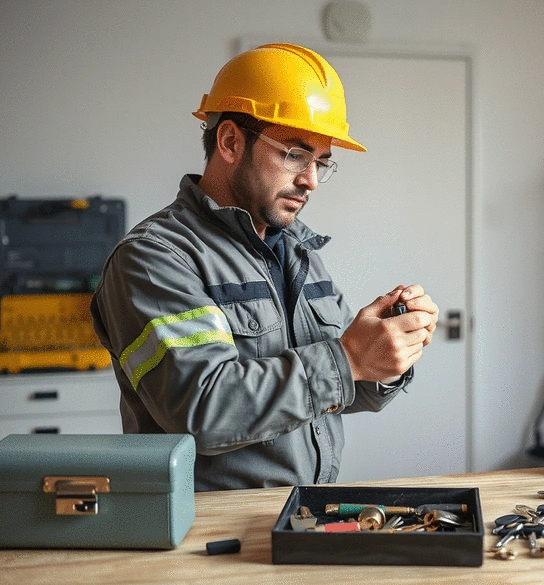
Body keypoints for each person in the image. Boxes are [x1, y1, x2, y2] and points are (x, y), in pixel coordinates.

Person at [90, 43, 439, 491]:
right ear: (231, 141)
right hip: (206, 530)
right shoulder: (155, 258)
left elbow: (341, 388)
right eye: (294, 155)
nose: (310, 180)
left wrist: (388, 353)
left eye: (321, 163)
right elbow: (203, 411)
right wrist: (349, 357)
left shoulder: (298, 249)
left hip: (304, 510)